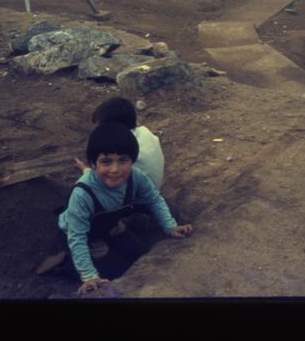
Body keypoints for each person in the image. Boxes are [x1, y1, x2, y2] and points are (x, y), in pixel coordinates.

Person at [37, 122, 193, 295]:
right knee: (117, 272)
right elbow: (77, 236)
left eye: (123, 160)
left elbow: (154, 199)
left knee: (140, 258)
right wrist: (89, 276)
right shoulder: (82, 194)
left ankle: (107, 243)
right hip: (82, 235)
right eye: (106, 161)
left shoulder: (135, 177)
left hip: (111, 226)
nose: (115, 169)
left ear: (132, 160)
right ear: (94, 164)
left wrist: (170, 227)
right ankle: (65, 265)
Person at [74, 97, 164, 191]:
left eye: (101, 129)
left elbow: (99, 180)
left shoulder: (122, 149)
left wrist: (86, 170)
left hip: (135, 200)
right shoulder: (145, 131)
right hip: (153, 188)